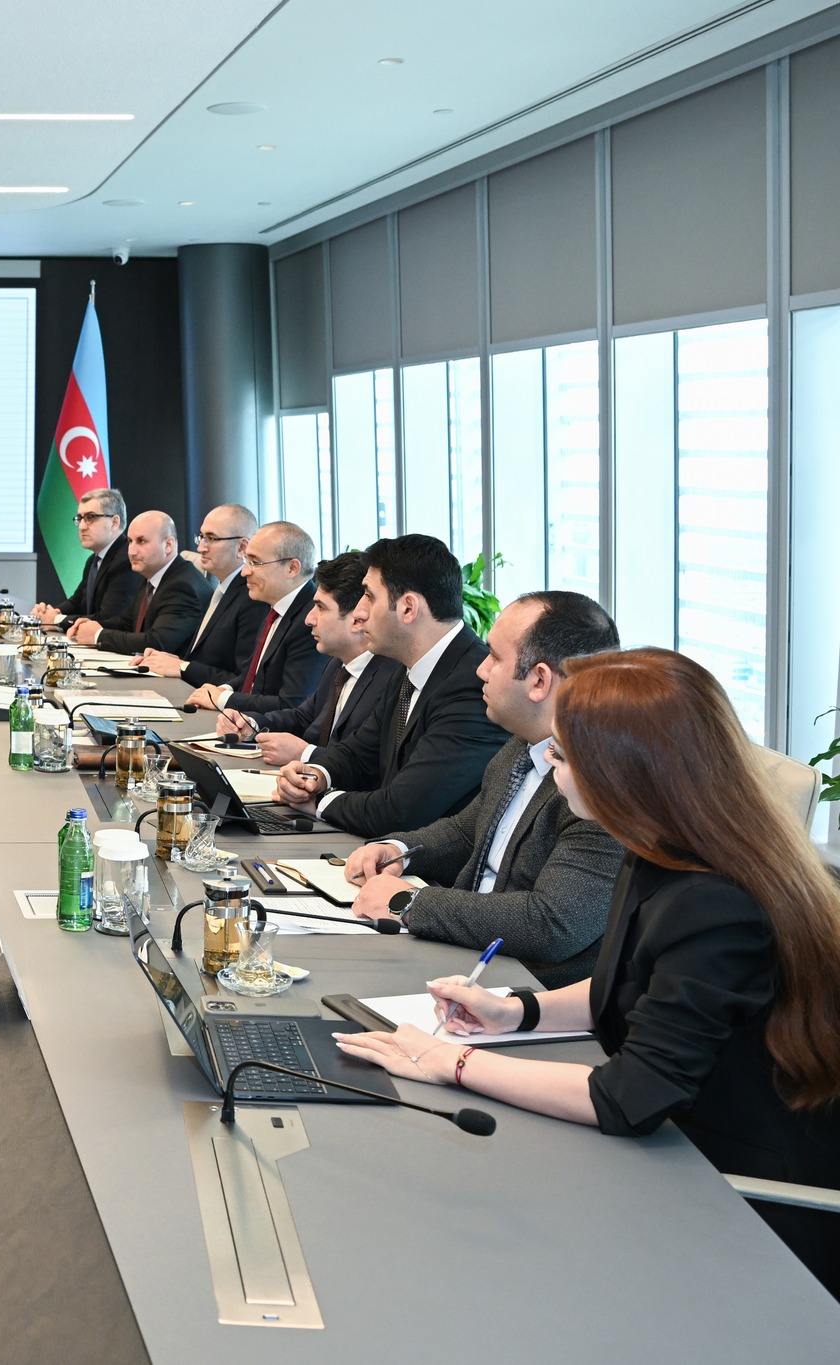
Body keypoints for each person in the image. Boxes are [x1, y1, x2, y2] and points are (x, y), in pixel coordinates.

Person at [334, 648, 840, 1295]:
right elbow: (630, 981)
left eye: (564, 755)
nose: (548, 765)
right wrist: (518, 1011)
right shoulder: (657, 848)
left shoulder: (715, 900)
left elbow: (628, 1095)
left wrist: (449, 1061)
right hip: (670, 1148)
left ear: (623, 773)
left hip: (739, 1195)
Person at [340, 591, 625, 986]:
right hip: (460, 954)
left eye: (494, 657)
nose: (480, 670)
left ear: (539, 680)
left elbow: (550, 925)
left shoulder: (602, 789)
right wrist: (400, 851)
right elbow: (466, 831)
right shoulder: (521, 745)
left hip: (524, 987)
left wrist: (410, 901)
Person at [272, 533, 507, 837]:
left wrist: (318, 802)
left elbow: (403, 810)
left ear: (408, 608)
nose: (359, 612)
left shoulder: (471, 686)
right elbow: (359, 753)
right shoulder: (408, 667)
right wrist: (314, 776)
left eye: (369, 596)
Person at [219, 551, 402, 768]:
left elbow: (367, 764)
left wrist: (304, 754)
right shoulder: (337, 664)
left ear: (357, 619)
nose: (309, 619)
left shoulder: (391, 679)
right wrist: (251, 724)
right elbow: (304, 717)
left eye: (321, 607)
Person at [178, 521, 327, 708]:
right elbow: (252, 676)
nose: (245, 572)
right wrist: (221, 690)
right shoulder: (275, 609)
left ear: (292, 568)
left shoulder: (311, 620)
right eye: (246, 561)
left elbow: (291, 704)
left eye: (255, 563)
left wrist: (222, 699)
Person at [134, 504, 266, 680]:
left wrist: (183, 667)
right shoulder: (223, 589)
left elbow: (243, 681)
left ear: (242, 547)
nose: (201, 548)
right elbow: (205, 660)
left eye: (211, 538)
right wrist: (170, 660)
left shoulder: (253, 599)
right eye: (202, 537)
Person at [64, 510, 210, 655]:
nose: (131, 552)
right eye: (130, 541)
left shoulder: (183, 587)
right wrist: (89, 625)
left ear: (168, 545)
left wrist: (97, 636)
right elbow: (127, 622)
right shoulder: (152, 576)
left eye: (141, 541)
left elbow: (156, 643)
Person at [32, 488, 136, 627]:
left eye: (90, 517)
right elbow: (77, 602)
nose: (81, 527)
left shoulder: (127, 561)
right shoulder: (93, 560)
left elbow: (108, 618)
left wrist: (56, 619)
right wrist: (51, 613)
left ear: (114, 522)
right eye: (80, 518)